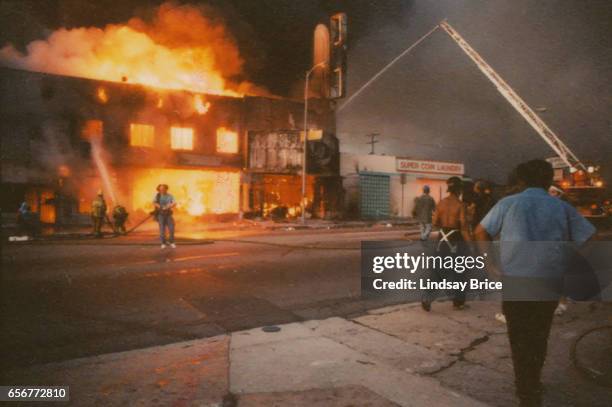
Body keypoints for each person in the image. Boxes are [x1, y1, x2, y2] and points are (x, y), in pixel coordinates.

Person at [474, 159, 595, 407]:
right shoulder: (560, 207)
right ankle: (533, 381)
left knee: (518, 336)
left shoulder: (508, 203)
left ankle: (526, 389)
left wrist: (490, 265)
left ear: (521, 180)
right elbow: (589, 235)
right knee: (540, 334)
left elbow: (480, 231)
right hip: (548, 281)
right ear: (549, 180)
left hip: (516, 280)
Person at [421, 176, 471, 312]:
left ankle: (428, 297)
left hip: (442, 237)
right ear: (459, 190)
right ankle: (458, 302)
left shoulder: (441, 203)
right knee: (459, 271)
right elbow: (464, 228)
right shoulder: (461, 205)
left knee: (439, 268)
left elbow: (436, 222)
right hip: (456, 237)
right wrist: (471, 244)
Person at [154, 184, 177, 249]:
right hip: (161, 215)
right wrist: (160, 207)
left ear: (166, 189)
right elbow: (154, 202)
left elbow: (174, 203)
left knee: (171, 228)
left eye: (163, 189)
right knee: (162, 230)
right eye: (160, 189)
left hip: (168, 214)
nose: (161, 190)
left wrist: (168, 206)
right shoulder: (157, 196)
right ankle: (163, 243)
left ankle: (171, 242)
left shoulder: (170, 196)